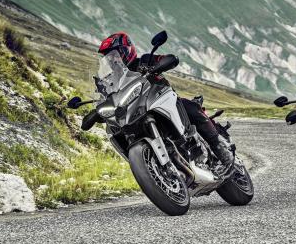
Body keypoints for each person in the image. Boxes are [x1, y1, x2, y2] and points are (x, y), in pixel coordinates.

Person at [97, 32, 234, 172]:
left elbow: (167, 59)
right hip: (137, 111)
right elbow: (105, 95)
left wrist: (161, 64)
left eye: (116, 54)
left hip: (163, 100)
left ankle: (220, 148)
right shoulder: (113, 81)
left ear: (127, 50)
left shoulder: (144, 61)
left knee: (191, 107)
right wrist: (97, 109)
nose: (113, 59)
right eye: (109, 57)